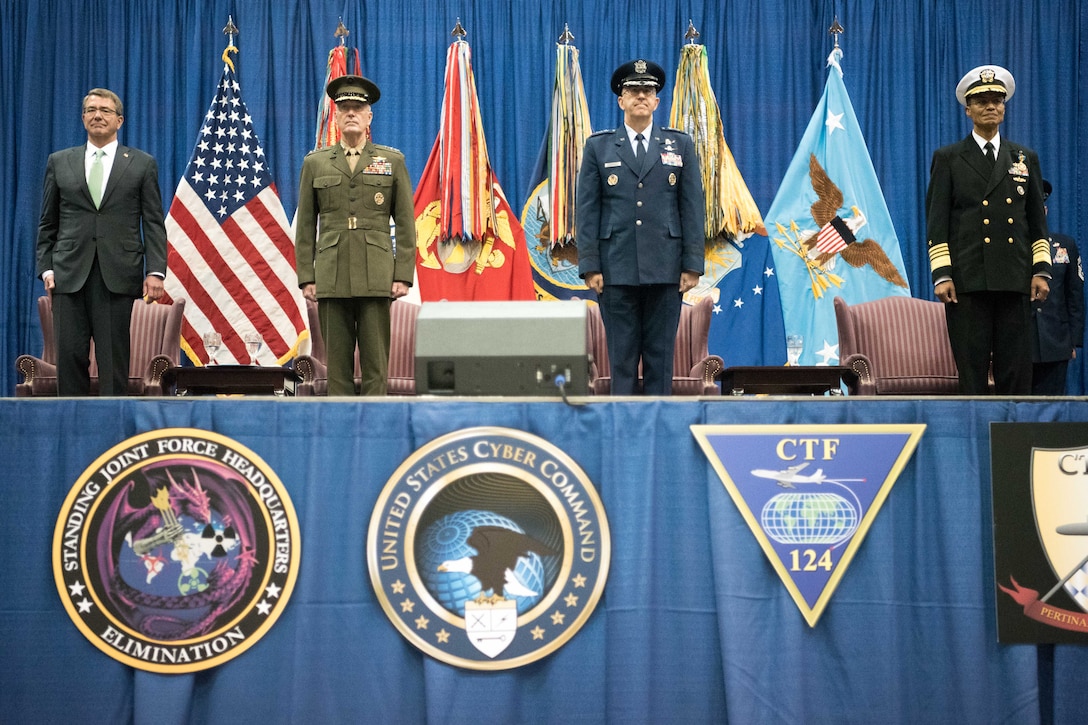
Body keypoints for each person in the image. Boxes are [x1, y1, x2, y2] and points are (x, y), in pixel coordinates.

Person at [576, 59, 705, 395]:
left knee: (661, 359)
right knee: (621, 358)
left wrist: (692, 265)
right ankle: (622, 430)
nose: (641, 96)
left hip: (666, 268)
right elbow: (588, 210)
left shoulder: (680, 145)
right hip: (615, 268)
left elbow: (691, 207)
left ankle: (658, 432)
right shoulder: (599, 147)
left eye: (648, 90)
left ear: (657, 101)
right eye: (633, 90)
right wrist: (590, 265)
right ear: (621, 100)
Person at [926, 65, 1051, 395]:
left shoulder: (1025, 158)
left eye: (997, 100)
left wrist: (1041, 271)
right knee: (971, 372)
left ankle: (1015, 441)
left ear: (1005, 108)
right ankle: (975, 441)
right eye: (981, 101)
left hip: (1015, 278)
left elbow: (1037, 222)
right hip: (967, 280)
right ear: (968, 110)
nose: (991, 106)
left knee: (1016, 373)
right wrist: (943, 275)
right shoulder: (949, 158)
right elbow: (937, 222)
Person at [36, 88, 167, 396]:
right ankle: (71, 433)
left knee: (113, 365)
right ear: (83, 118)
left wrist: (155, 270)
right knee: (69, 362)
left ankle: (114, 434)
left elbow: (153, 222)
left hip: (117, 276)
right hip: (68, 277)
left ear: (119, 120)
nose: (97, 115)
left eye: (105, 111)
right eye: (91, 110)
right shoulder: (59, 161)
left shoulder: (141, 164)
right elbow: (47, 222)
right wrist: (46, 268)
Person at [295, 75, 415, 395]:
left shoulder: (391, 161)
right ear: (335, 115)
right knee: (337, 367)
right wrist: (307, 276)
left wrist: (402, 274)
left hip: (377, 273)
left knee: (377, 365)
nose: (351, 113)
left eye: (357, 108)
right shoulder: (316, 163)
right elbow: (306, 225)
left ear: (368, 116)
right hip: (331, 274)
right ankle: (341, 430)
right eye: (344, 107)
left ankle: (375, 430)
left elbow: (405, 223)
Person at [1031, 179, 1084, 394]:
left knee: (1052, 407)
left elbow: (1075, 296)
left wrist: (1074, 340)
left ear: (1044, 211)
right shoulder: (1010, 248)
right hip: (1019, 343)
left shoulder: (1065, 245)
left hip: (1057, 340)